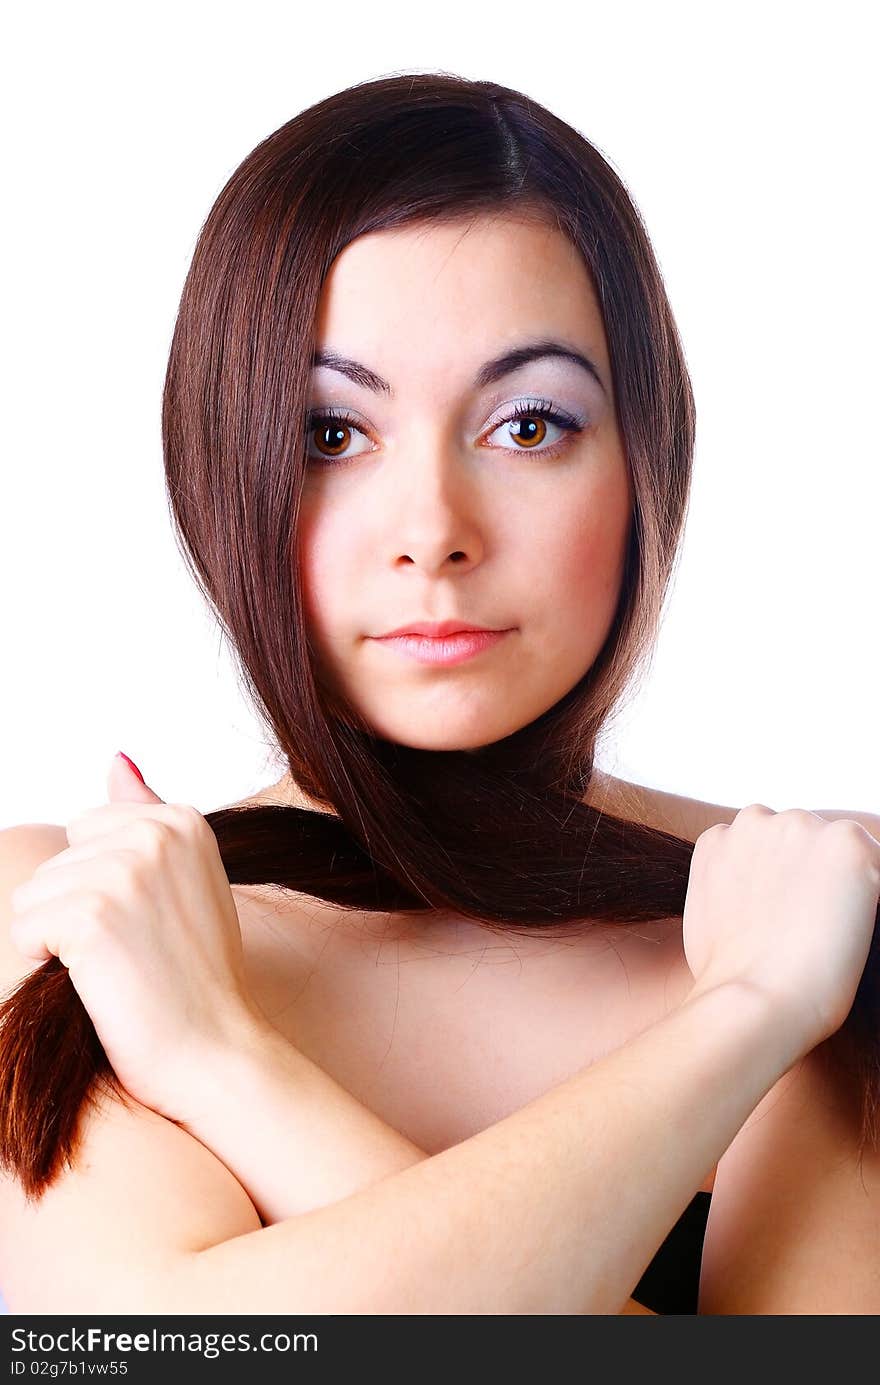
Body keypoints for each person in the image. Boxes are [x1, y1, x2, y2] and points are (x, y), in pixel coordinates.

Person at [1, 73, 879, 1316]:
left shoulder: (820, 908)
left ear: (647, 459)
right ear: (220, 466)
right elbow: (160, 1348)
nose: (433, 531)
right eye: (330, 433)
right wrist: (748, 1020)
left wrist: (220, 1062)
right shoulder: (76, 908)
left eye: (527, 426)